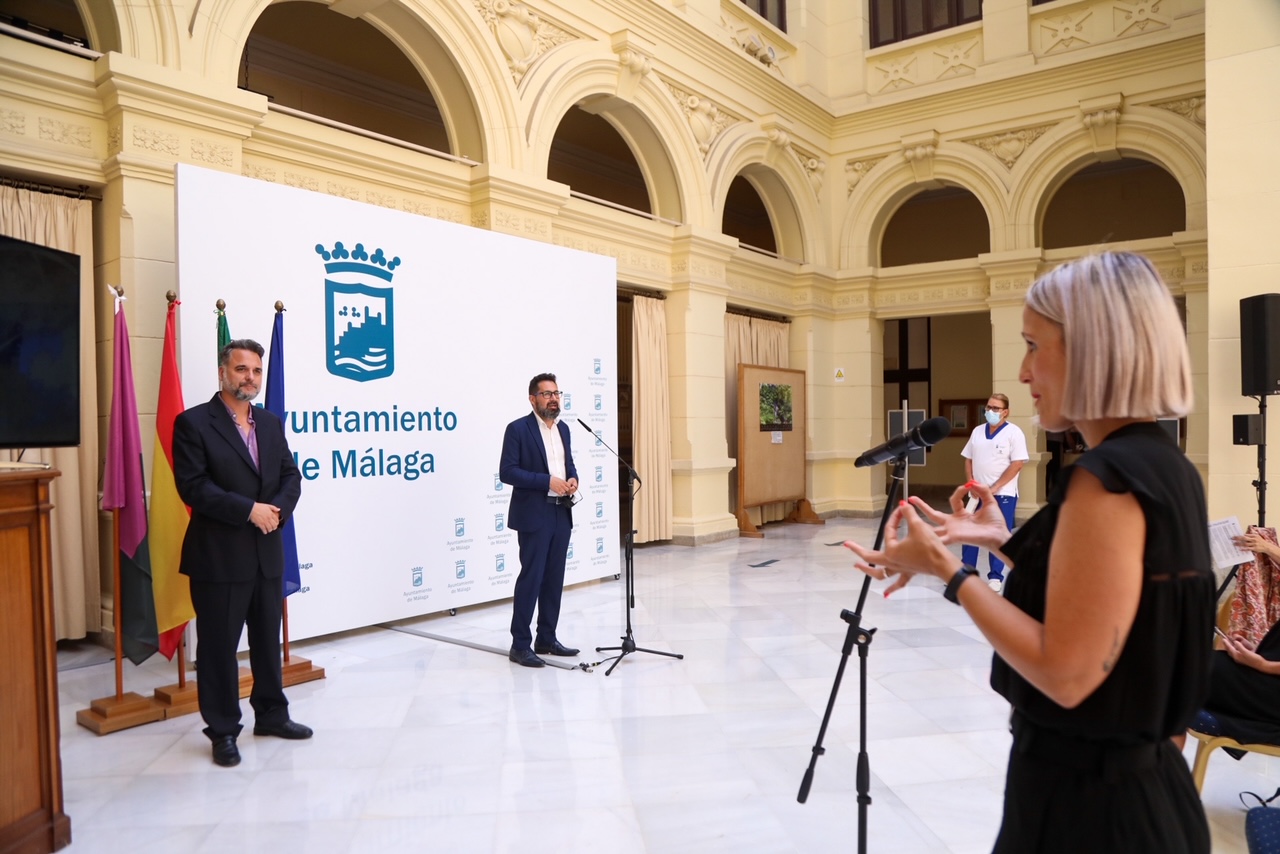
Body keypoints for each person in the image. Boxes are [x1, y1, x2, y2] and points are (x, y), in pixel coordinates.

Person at [846, 252, 1214, 853]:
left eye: (1034, 346)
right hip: (1148, 796)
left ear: (1093, 349)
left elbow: (1067, 673)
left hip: (1089, 810)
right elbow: (1111, 608)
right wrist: (996, 539)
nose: (1022, 373)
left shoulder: (1106, 477)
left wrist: (947, 571)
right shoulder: (1164, 466)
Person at [173, 339, 310, 767]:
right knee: (218, 650)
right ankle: (223, 731)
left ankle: (271, 715)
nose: (248, 377)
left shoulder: (269, 423)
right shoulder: (193, 423)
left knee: (268, 641)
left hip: (266, 553)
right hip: (219, 558)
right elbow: (194, 487)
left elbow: (291, 476)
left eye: (255, 371)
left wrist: (274, 513)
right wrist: (249, 511)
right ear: (222, 372)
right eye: (240, 369)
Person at [499, 372, 580, 668]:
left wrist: (572, 478)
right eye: (547, 394)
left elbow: (568, 464)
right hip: (535, 513)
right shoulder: (518, 429)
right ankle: (520, 645)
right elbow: (508, 472)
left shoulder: (565, 429)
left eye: (557, 393)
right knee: (531, 578)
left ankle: (546, 638)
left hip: (562, 510)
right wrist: (547, 481)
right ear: (533, 399)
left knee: (554, 578)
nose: (554, 398)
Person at [1192, 530, 1280, 748]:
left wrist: (1265, 665)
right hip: (1266, 677)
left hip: (1271, 690)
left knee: (1179, 673)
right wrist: (1258, 655)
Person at [961, 392, 1028, 592]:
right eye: (988, 407)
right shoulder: (978, 432)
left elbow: (1017, 464)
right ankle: (966, 573)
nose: (990, 411)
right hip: (977, 494)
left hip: (1003, 494)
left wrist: (995, 488)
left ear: (1005, 412)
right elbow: (968, 459)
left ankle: (996, 576)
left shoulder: (1014, 433)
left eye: (995, 408)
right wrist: (971, 484)